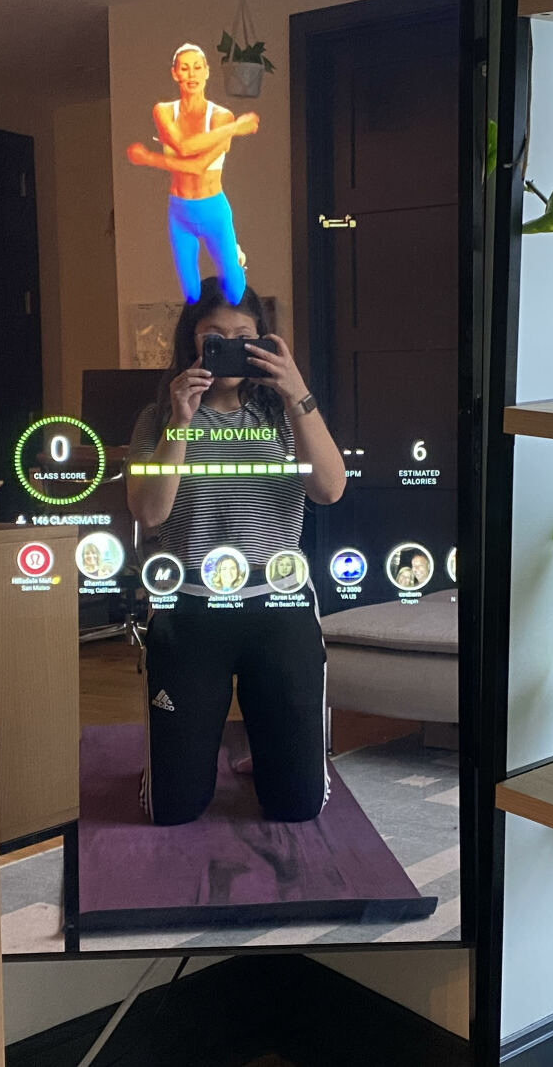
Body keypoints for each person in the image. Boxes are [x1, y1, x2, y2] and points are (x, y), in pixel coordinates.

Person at [127, 278, 347, 825]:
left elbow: (330, 490)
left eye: (243, 337)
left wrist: (297, 393)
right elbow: (149, 513)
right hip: (189, 608)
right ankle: (210, 751)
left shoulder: (287, 415)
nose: (228, 348)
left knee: (296, 806)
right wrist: (180, 421)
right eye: (214, 337)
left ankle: (270, 749)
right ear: (191, 341)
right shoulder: (158, 417)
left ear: (263, 342)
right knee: (172, 808)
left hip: (278, 605)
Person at [125, 43, 260, 305]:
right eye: (185, 68)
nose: (191, 74)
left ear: (207, 72)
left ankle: (235, 255)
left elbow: (199, 166)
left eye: (197, 68)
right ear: (175, 73)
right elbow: (184, 148)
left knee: (235, 291)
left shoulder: (221, 116)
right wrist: (235, 129)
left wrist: (148, 158)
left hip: (213, 208)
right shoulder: (164, 111)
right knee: (191, 295)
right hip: (180, 210)